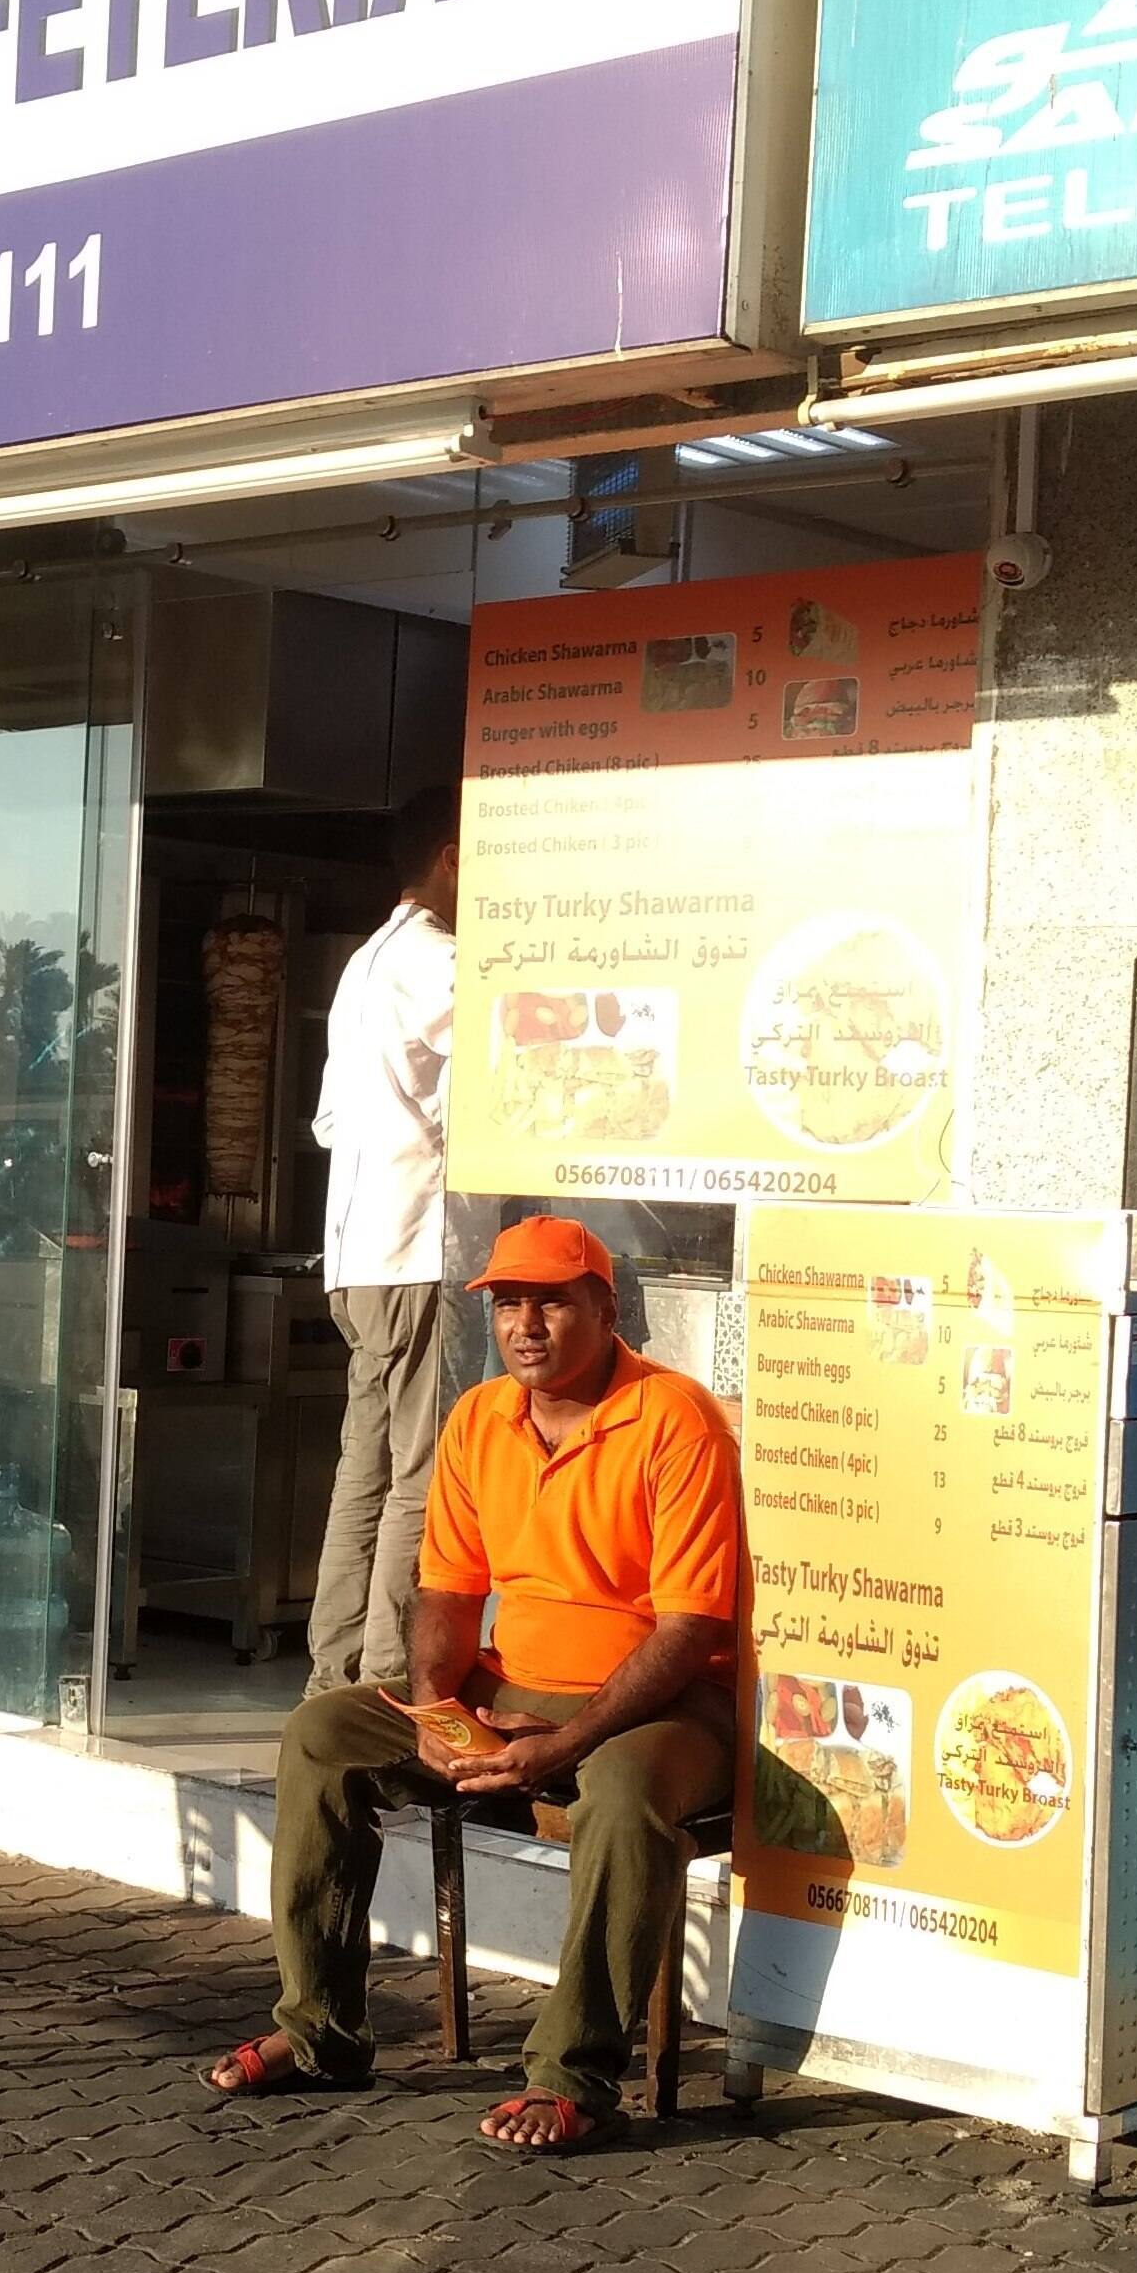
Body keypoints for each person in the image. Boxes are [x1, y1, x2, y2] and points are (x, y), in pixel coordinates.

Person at [209, 1218, 740, 2156]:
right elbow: (447, 1594)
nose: (525, 1325)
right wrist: (437, 1713)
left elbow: (689, 1630)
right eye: (507, 1304)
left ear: (607, 1309)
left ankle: (574, 2076)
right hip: (511, 1687)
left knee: (622, 1795)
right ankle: (321, 2032)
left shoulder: (675, 1417)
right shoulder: (478, 1417)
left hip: (660, 1703)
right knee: (324, 1733)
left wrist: (566, 1743)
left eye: (551, 1303)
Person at [304, 788, 461, 1691]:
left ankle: (331, 1681)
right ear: (452, 857)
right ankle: (384, 1684)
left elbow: (329, 1120)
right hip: (413, 1246)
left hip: (356, 1254)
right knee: (417, 1475)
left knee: (361, 1473)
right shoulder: (439, 961)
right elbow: (514, 1067)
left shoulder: (363, 964)